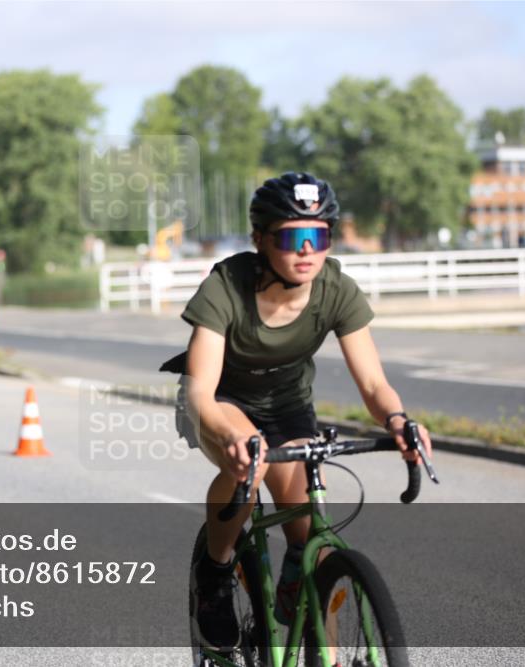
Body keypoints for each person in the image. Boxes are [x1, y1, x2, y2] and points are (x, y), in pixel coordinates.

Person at [161, 172, 434, 652]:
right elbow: (201, 391)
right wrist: (232, 434)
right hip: (220, 404)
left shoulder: (335, 289)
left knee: (316, 546)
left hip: (287, 408)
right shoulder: (227, 285)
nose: (308, 250)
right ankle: (216, 568)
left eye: (320, 236)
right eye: (293, 237)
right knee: (253, 458)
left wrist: (398, 420)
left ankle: (307, 600)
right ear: (262, 240)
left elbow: (373, 383)